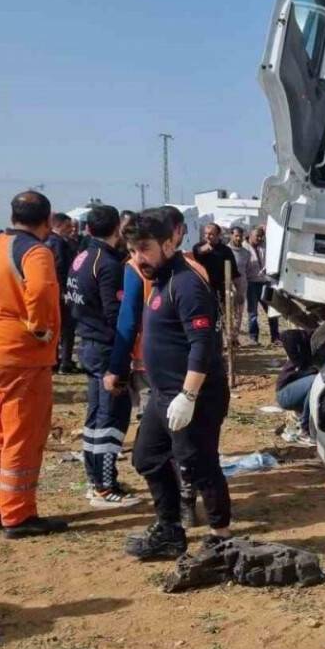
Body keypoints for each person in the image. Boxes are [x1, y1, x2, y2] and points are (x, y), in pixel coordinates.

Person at [122, 209, 231, 560]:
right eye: (133, 250)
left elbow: (202, 344)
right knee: (148, 457)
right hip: (163, 396)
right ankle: (169, 529)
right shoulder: (161, 279)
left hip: (193, 395)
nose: (139, 257)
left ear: (169, 242)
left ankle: (221, 538)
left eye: (145, 248)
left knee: (199, 465)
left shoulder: (185, 283)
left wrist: (188, 395)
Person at [105, 206, 209, 526]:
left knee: (172, 443)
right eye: (133, 249)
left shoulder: (174, 273)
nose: (138, 256)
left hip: (167, 375)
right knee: (171, 445)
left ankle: (185, 507)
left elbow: (128, 321)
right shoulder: (190, 268)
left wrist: (117, 367)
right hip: (178, 371)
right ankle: (182, 506)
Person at [0, 191, 67, 538]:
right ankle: (17, 514)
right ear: (47, 219)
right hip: (22, 357)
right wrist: (41, 330)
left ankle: (3, 506)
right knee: (22, 435)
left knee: (1, 435)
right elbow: (40, 292)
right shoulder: (35, 251)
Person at [65, 204, 141, 507]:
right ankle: (104, 488)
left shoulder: (83, 256)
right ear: (116, 229)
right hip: (107, 349)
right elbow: (116, 314)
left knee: (96, 416)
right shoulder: (107, 263)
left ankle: (95, 480)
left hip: (89, 343)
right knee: (112, 418)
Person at [45, 212, 78, 372]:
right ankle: (64, 361)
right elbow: (60, 268)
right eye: (68, 226)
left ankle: (57, 360)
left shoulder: (48, 241)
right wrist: (64, 290)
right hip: (62, 291)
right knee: (66, 328)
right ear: (59, 225)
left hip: (54, 290)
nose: (71, 229)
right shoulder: (58, 243)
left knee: (58, 328)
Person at [276, 328, 317, 444]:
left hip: (293, 392)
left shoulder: (308, 349)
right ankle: (305, 429)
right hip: (284, 394)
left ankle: (306, 423)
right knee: (316, 381)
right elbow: (285, 335)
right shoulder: (306, 350)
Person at [192, 222, 238, 310]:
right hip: (202, 288)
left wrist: (236, 290)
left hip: (220, 290)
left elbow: (234, 271)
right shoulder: (198, 246)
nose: (207, 236)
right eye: (206, 234)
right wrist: (202, 250)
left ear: (218, 235)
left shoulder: (226, 250)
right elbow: (196, 252)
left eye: (211, 234)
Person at [246, 225, 279, 344]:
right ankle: (254, 338)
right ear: (250, 235)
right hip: (251, 284)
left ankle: (275, 337)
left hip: (265, 283)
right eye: (257, 236)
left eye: (261, 236)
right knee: (253, 313)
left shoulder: (264, 247)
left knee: (272, 311)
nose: (259, 239)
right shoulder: (245, 249)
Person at [226, 225, 251, 340]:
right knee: (228, 312)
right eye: (236, 236)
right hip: (228, 286)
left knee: (239, 312)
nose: (238, 238)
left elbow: (246, 270)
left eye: (240, 236)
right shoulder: (225, 251)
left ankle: (235, 338)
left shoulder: (246, 253)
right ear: (231, 235)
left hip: (241, 286)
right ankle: (228, 337)